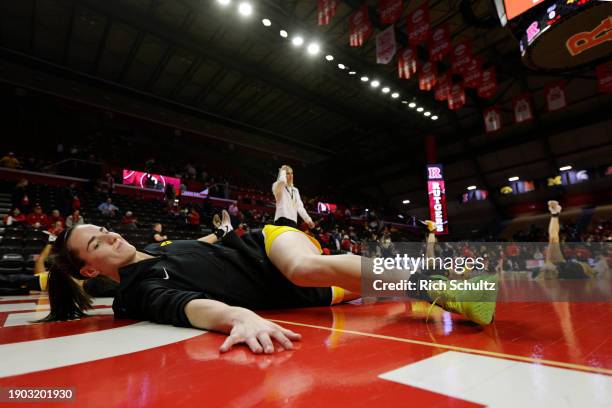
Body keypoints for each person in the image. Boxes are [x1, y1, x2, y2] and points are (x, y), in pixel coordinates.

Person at [40, 210, 497, 355]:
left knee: (306, 267)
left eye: (103, 230)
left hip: (273, 246)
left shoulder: (163, 249)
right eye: (97, 244)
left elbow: (209, 245)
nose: (110, 235)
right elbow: (188, 307)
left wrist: (223, 230)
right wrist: (238, 318)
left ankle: (451, 284)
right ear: (89, 270)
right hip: (304, 292)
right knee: (366, 282)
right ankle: (452, 275)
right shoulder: (137, 290)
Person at [532, 201, 596, 280]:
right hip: (566, 269)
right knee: (553, 239)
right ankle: (555, 214)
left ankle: (555, 214)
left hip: (564, 270)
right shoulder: (567, 268)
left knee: (553, 239)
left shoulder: (554, 270)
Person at [272, 165, 315, 229]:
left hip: (293, 221)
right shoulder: (277, 185)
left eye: (292, 173)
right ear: (282, 174)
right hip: (281, 219)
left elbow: (300, 207)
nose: (291, 175)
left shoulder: (295, 190)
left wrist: (308, 220)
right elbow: (282, 181)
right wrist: (283, 170)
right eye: (288, 173)